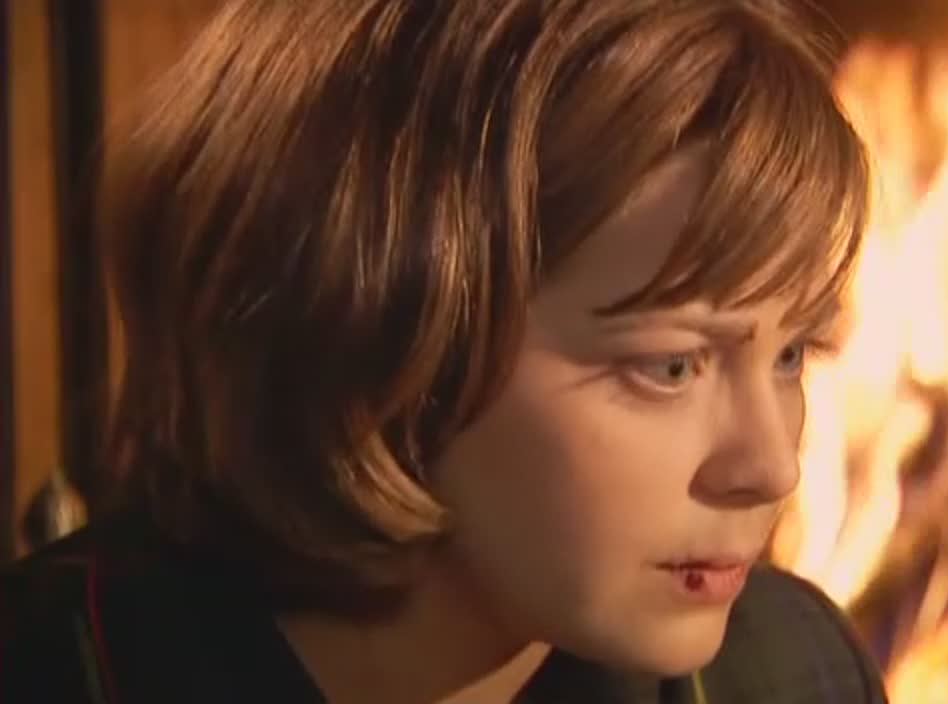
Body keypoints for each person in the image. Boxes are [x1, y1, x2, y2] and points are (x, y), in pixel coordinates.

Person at [1, 1, 886, 702]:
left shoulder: (791, 670)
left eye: (792, 354)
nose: (772, 467)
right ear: (378, 332)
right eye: (672, 367)